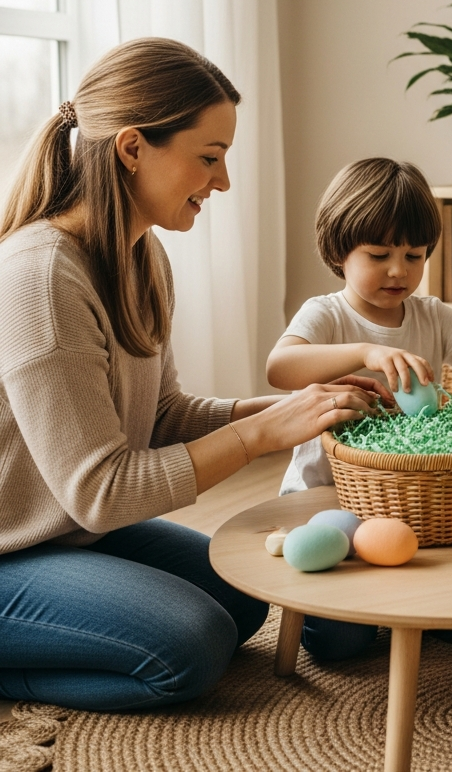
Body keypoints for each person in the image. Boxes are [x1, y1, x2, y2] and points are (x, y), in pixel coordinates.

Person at [0, 39, 383, 711]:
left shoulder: (140, 256)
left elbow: (161, 415)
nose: (224, 181)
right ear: (131, 148)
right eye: (210, 158)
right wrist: (262, 436)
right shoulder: (39, 279)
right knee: (190, 643)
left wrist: (288, 409)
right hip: (15, 549)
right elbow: (102, 491)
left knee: (242, 599)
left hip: (66, 530)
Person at [266, 156, 452, 654]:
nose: (398, 270)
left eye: (414, 256)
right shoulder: (325, 315)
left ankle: (403, 595)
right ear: (339, 249)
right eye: (379, 254)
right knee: (337, 643)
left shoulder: (432, 315)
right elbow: (280, 368)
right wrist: (366, 351)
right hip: (329, 499)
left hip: (412, 502)